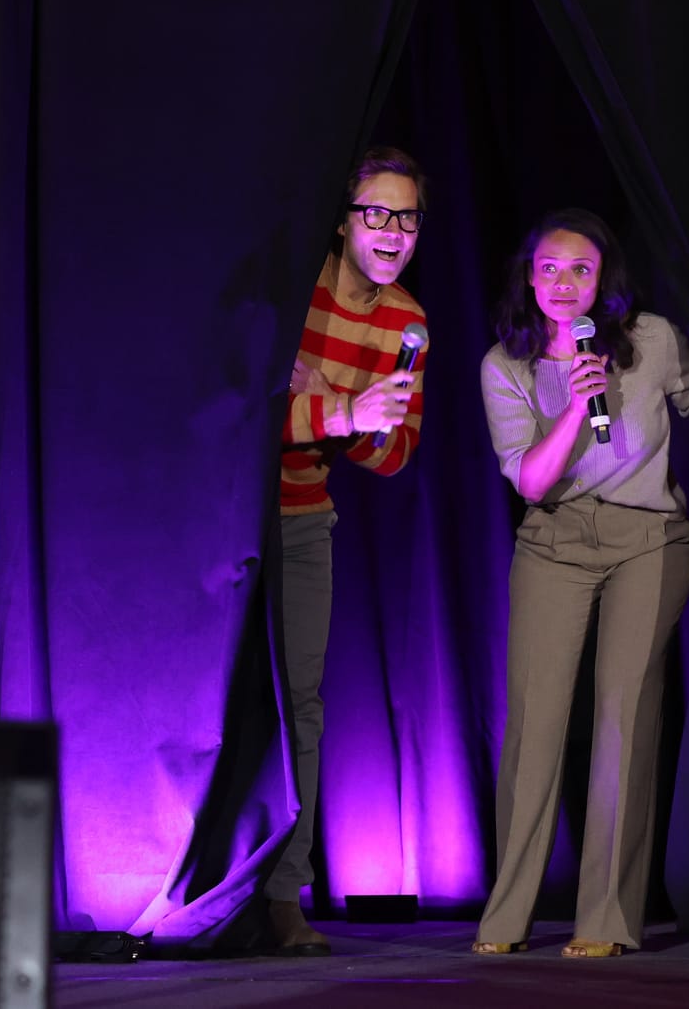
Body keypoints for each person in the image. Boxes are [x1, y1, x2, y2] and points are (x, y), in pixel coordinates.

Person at [470, 209, 689, 959]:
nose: (566, 284)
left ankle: (607, 918)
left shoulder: (652, 339)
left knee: (624, 718)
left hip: (646, 540)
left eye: (582, 270)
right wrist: (569, 408)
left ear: (605, 280)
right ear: (529, 279)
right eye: (552, 269)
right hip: (555, 540)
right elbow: (530, 480)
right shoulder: (506, 365)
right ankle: (506, 915)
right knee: (535, 723)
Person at [265, 146, 431, 956]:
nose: (393, 230)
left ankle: (280, 895)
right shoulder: (295, 287)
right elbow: (239, 410)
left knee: (303, 706)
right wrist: (342, 413)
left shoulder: (407, 322)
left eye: (407, 216)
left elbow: (395, 455)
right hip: (224, 522)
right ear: (342, 221)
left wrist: (344, 416)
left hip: (303, 520)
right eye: (377, 213)